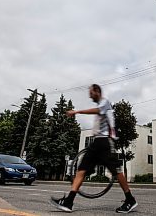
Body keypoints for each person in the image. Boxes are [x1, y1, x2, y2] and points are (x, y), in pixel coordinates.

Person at [50, 84, 137, 213]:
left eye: (91, 93)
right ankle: (68, 202)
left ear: (97, 91)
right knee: (81, 170)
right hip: (96, 143)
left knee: (117, 171)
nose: (90, 96)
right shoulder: (100, 105)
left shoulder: (105, 103)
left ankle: (130, 199)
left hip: (105, 142)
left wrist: (77, 111)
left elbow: (97, 111)